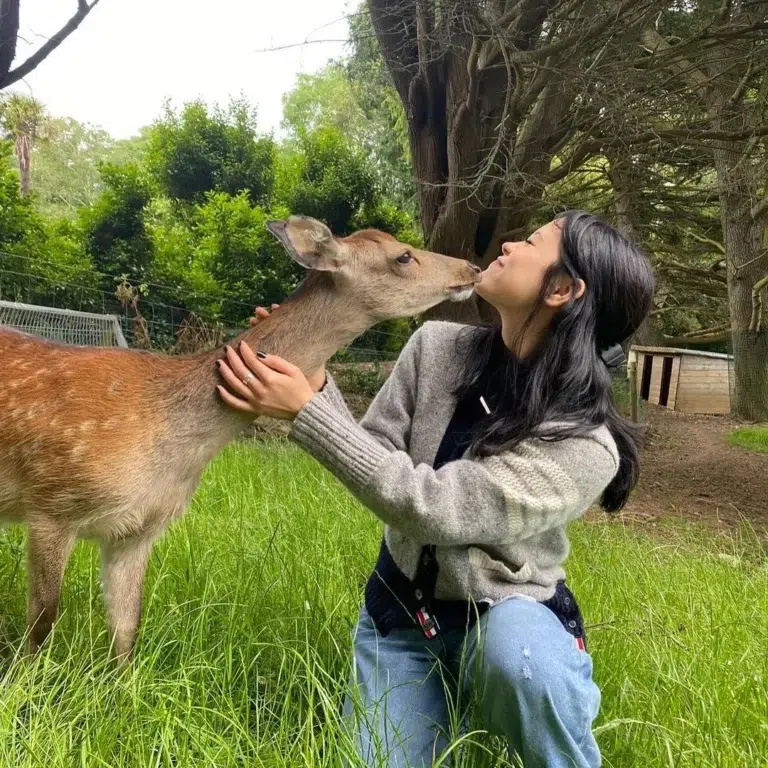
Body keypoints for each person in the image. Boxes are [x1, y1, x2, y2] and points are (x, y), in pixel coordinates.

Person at [215, 211, 655, 767]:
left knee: (519, 659)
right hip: (402, 616)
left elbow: (435, 508)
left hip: (505, 613)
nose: (511, 243)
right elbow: (371, 451)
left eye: (535, 242)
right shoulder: (435, 348)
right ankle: (439, 697)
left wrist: (304, 410)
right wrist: (313, 372)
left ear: (563, 289)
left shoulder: (586, 446)